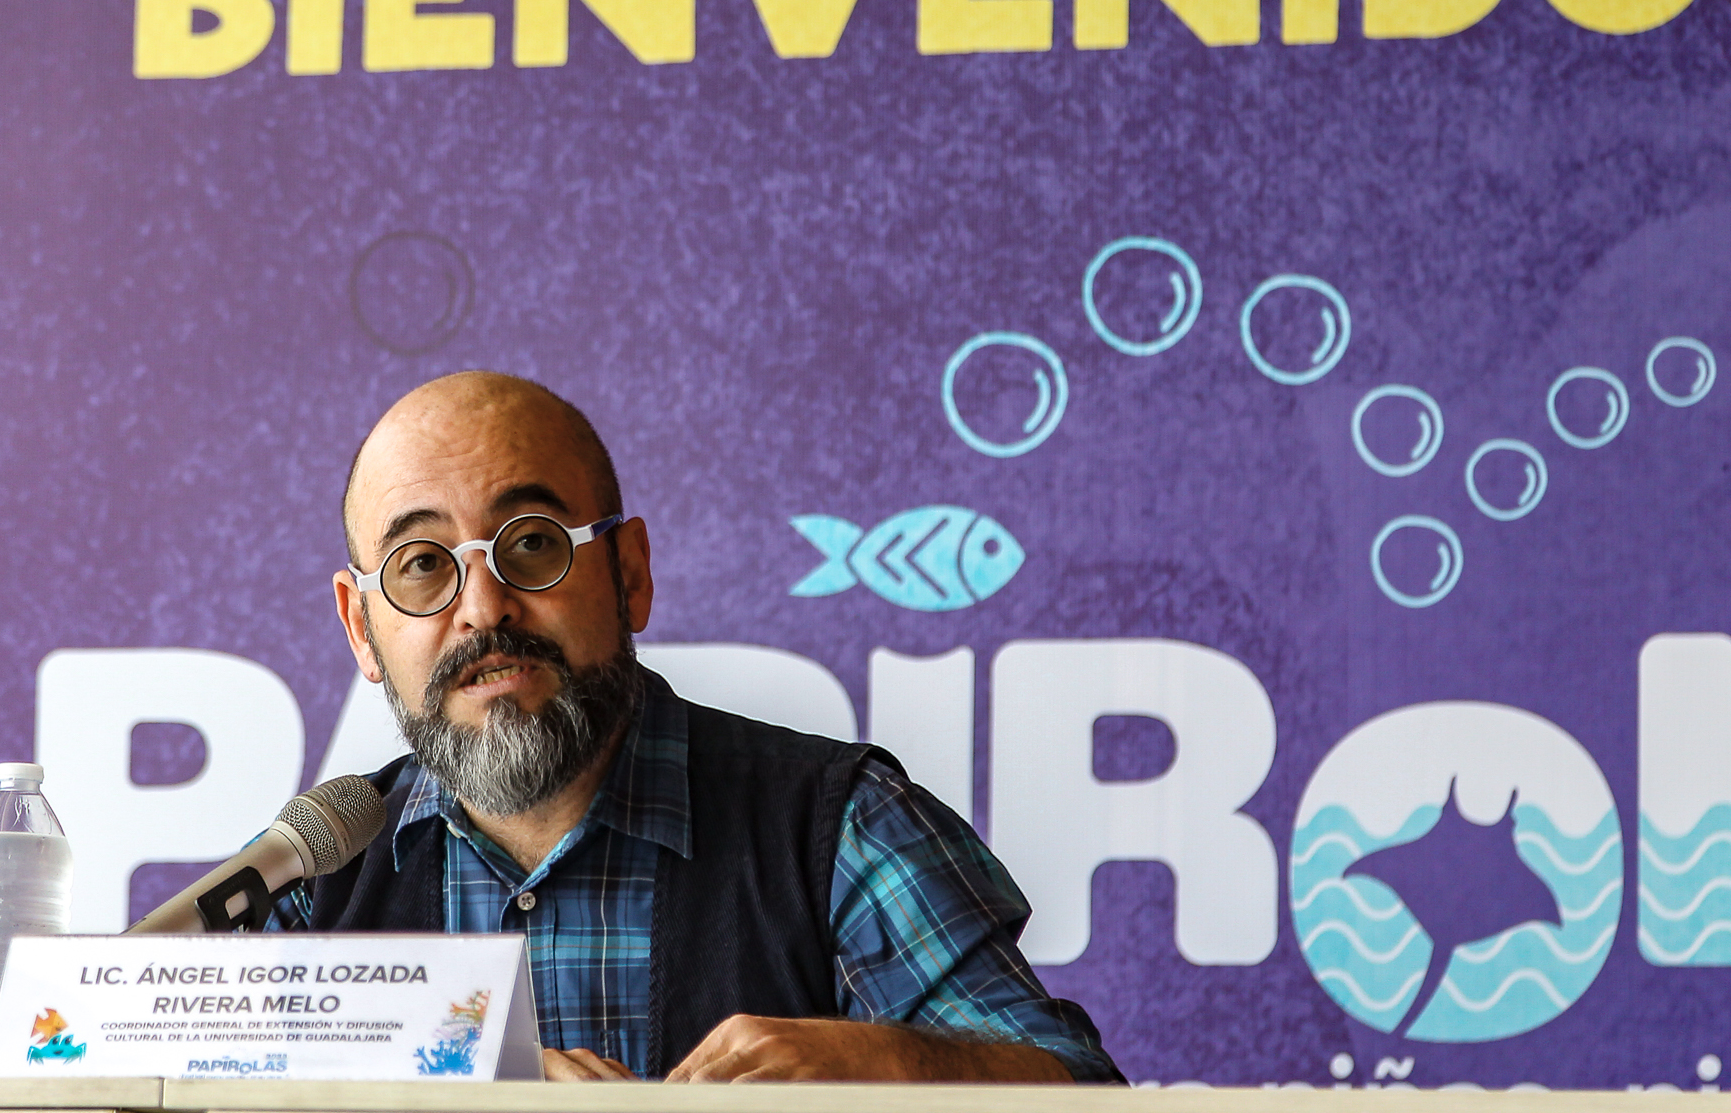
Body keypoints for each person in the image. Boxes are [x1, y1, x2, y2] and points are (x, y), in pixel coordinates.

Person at [281, 371, 1121, 1084]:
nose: (484, 606)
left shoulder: (838, 826)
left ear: (630, 573)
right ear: (361, 628)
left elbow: (1082, 1092)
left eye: (533, 544)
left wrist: (881, 1064)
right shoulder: (309, 875)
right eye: (422, 564)